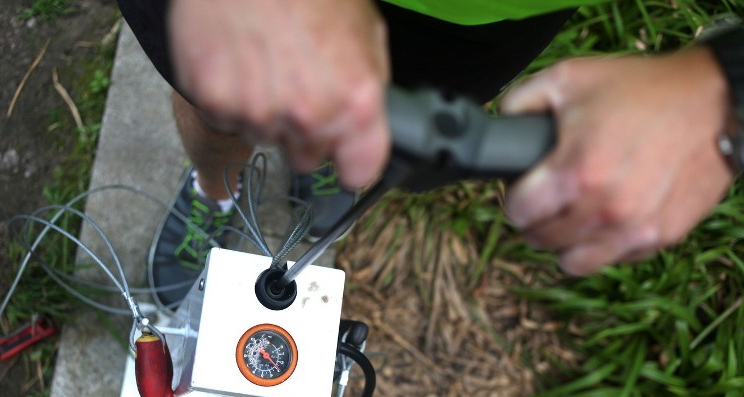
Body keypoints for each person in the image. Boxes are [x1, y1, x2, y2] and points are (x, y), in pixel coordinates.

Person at [115, 0, 741, 308]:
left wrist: (723, 89)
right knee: (221, 104)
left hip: (477, 14)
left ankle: (328, 163)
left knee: (368, 125)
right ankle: (214, 191)